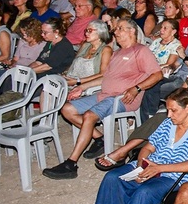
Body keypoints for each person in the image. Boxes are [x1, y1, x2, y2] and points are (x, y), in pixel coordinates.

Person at [43, 20, 163, 180]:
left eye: (120, 28)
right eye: (116, 28)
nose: (116, 31)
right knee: (67, 109)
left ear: (131, 32)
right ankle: (99, 138)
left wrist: (137, 88)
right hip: (105, 94)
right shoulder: (117, 53)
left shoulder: (141, 51)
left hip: (122, 98)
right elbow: (105, 78)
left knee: (89, 116)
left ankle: (71, 164)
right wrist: (82, 87)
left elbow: (157, 74)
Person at [97, 43, 188, 169]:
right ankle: (135, 152)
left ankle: (124, 151)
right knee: (163, 117)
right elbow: (179, 97)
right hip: (187, 111)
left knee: (162, 119)